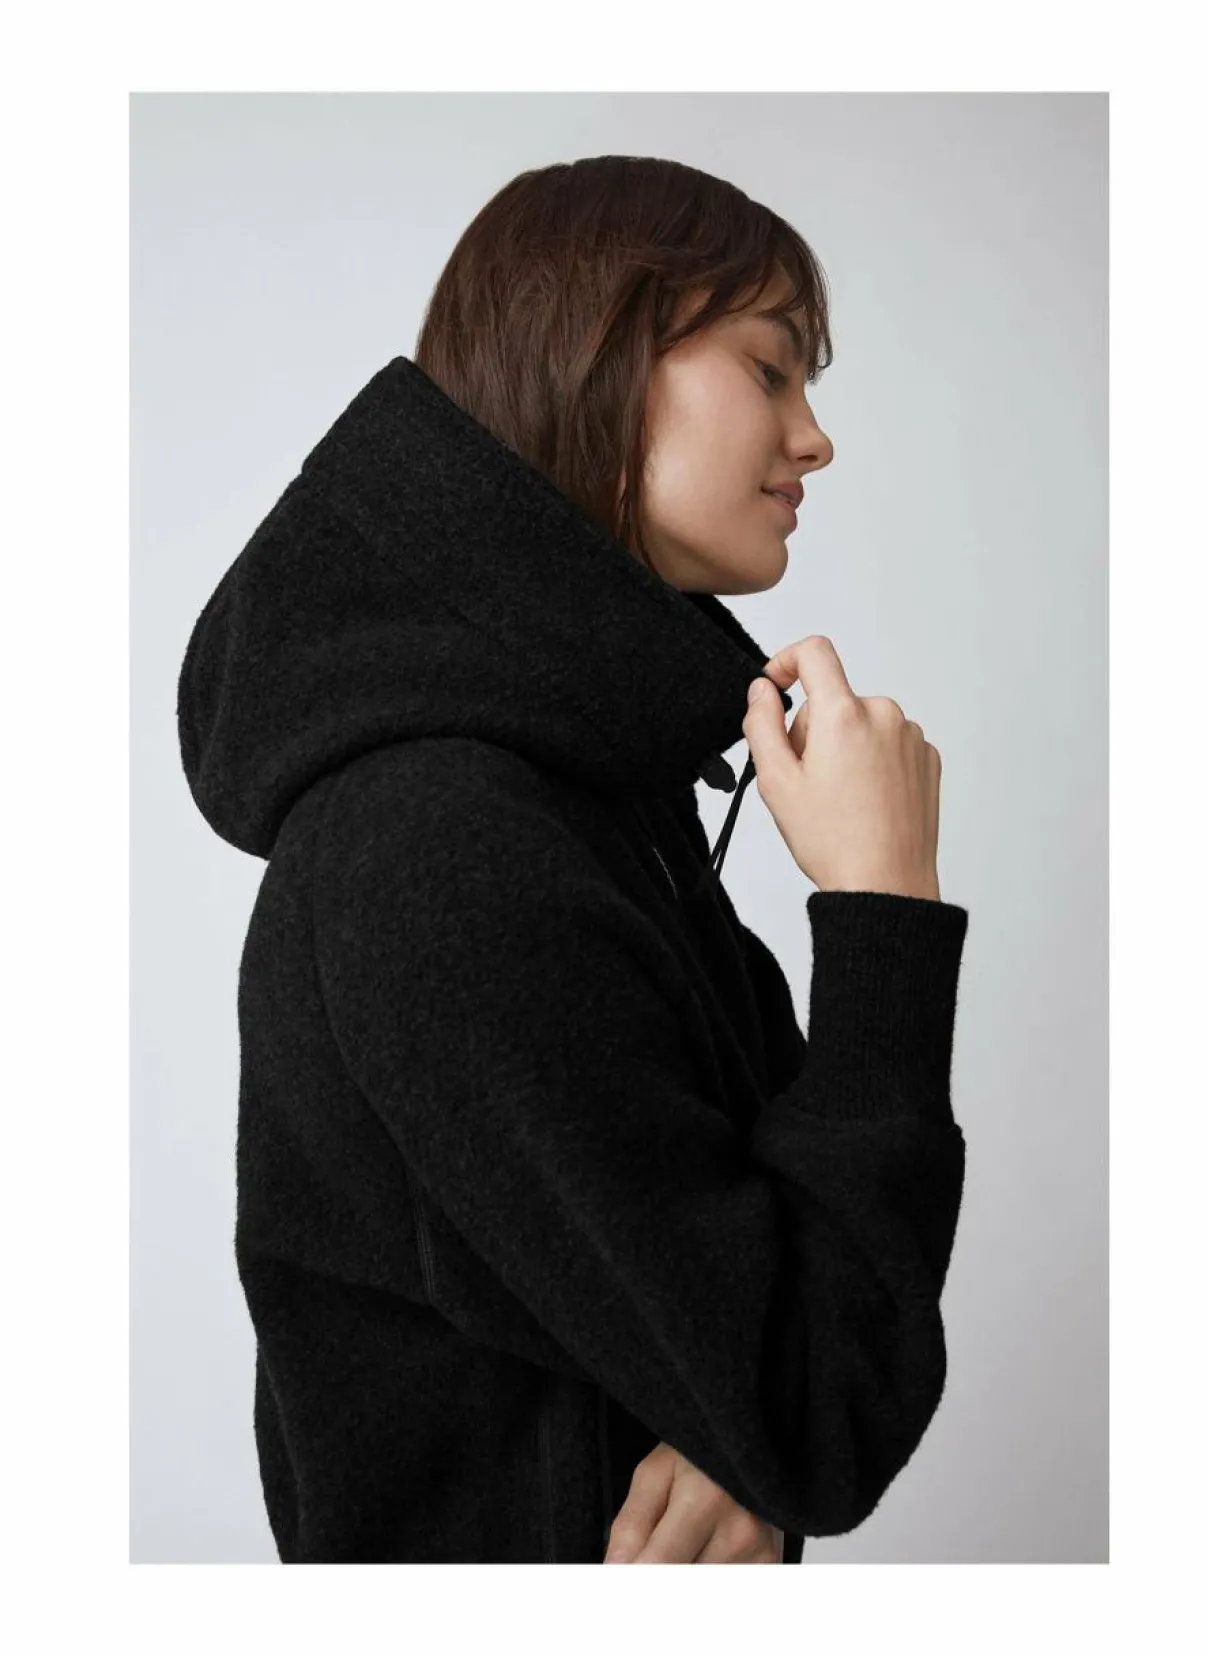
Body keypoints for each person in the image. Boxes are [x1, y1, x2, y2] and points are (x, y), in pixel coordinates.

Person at [176, 154, 969, 1564]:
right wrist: (883, 904)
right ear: (604, 359)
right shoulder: (443, 842)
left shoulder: (571, 794)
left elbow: (788, 1306)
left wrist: (737, 1425)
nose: (815, 440)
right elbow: (822, 1398)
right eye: (771, 369)